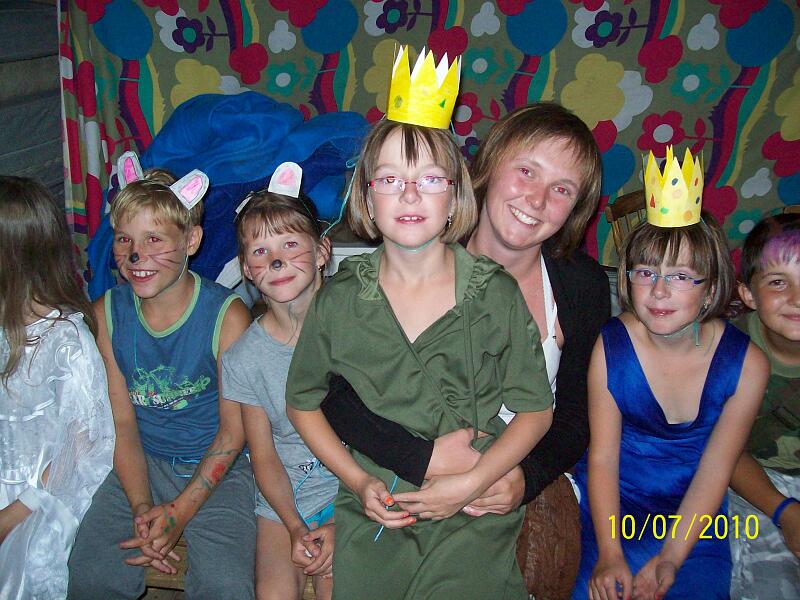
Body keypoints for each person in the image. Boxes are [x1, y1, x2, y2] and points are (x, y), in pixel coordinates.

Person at [285, 46, 554, 599]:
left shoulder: (494, 294)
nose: (409, 193)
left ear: (455, 196)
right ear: (366, 197)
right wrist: (358, 480)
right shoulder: (338, 301)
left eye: (430, 179)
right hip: (380, 506)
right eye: (390, 179)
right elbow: (303, 402)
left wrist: (472, 482)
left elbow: (536, 411)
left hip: (472, 505)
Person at [320, 101, 609, 595]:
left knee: (540, 568)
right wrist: (422, 459)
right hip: (401, 457)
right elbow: (336, 393)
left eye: (562, 189)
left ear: (577, 208)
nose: (537, 199)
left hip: (514, 471)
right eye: (526, 171)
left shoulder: (582, 287)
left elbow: (577, 415)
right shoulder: (414, 247)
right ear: (489, 166)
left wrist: (524, 478)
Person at [574, 148, 769, 600]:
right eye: (646, 272)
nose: (659, 291)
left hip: (694, 520)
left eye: (681, 277)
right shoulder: (612, 345)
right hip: (612, 510)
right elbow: (602, 458)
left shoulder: (746, 365)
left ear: (711, 289)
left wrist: (671, 558)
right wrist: (610, 552)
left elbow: (716, 469)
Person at [67, 152, 256, 599]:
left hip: (218, 468)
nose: (136, 255)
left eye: (154, 238)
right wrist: (141, 507)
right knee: (91, 572)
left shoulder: (227, 317)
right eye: (124, 239)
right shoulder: (107, 315)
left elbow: (233, 433)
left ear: (191, 240)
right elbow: (122, 422)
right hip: (140, 463)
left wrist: (179, 513)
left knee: (226, 584)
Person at [221, 163, 337, 600]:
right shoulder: (243, 359)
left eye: (290, 244)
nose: (276, 260)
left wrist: (341, 522)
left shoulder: (355, 330)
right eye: (261, 251)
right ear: (247, 270)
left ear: (322, 251)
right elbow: (264, 455)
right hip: (283, 500)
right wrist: (293, 525)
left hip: (353, 492)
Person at [0, 176, 115, 599]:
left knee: (26, 565)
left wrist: (12, 515)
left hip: (43, 494)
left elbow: (84, 448)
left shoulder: (66, 341)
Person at [728, 213, 800, 599]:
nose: (797, 298)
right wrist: (784, 510)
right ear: (749, 294)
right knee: (772, 586)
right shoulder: (731, 353)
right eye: (778, 282)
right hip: (756, 485)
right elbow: (725, 454)